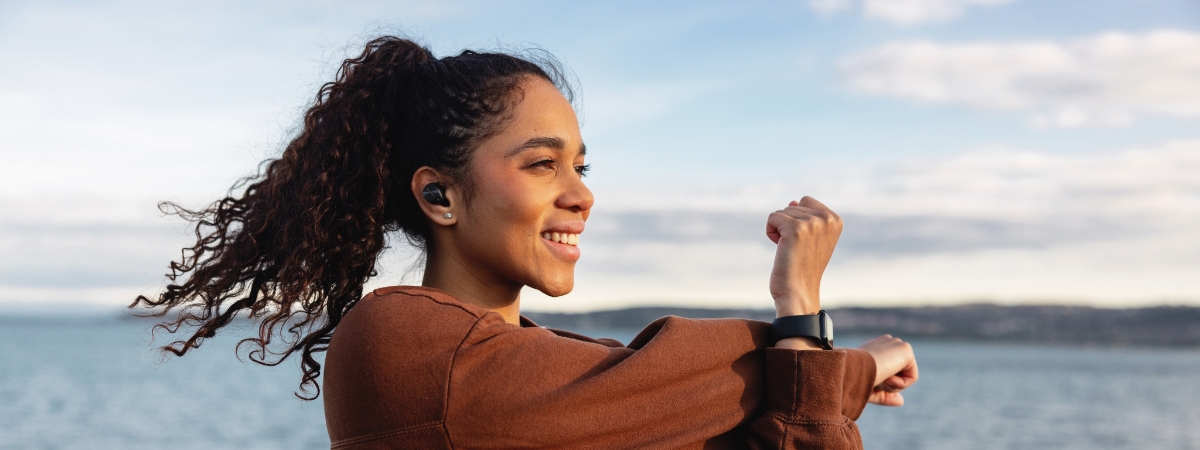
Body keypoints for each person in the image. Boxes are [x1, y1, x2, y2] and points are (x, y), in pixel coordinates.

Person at [134, 36, 918, 449]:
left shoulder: (578, 372)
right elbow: (682, 376)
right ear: (439, 195)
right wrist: (812, 334)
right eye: (542, 164)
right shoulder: (401, 342)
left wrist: (816, 365)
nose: (581, 193)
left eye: (581, 166)